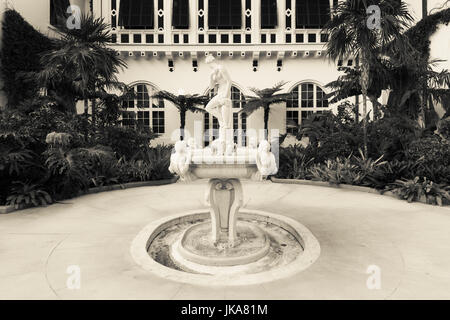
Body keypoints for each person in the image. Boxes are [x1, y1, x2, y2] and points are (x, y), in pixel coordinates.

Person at [204, 55, 233, 131]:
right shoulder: (213, 73)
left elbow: (229, 81)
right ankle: (223, 121)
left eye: (209, 64)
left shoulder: (221, 68)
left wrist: (226, 95)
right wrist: (211, 76)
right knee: (208, 107)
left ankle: (225, 123)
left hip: (225, 91)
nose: (209, 66)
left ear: (212, 62)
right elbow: (211, 87)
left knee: (224, 106)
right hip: (219, 93)